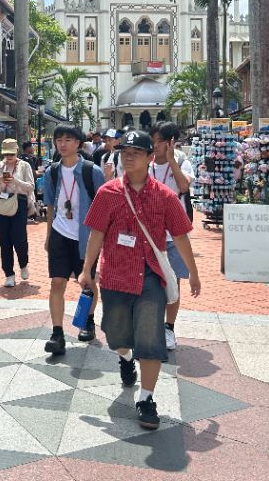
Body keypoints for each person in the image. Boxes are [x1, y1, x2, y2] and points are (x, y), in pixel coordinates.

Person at [79, 130, 201, 431]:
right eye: (125, 152)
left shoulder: (165, 196)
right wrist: (86, 269)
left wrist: (193, 272)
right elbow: (96, 233)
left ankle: (146, 399)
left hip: (150, 277)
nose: (129, 156)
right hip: (114, 275)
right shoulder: (108, 193)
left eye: (136, 152)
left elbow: (180, 236)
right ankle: (125, 356)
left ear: (149, 157)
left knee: (150, 338)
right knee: (115, 335)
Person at [42, 125, 105, 353]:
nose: (62, 144)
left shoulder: (92, 171)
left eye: (68, 139)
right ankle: (57, 333)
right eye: (59, 139)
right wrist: (49, 235)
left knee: (87, 282)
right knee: (57, 282)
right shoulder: (53, 171)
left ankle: (88, 321)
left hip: (86, 237)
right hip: (59, 233)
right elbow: (50, 205)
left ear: (78, 143)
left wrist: (102, 239)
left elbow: (103, 207)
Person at [148, 122, 196, 351]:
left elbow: (184, 187)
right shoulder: (145, 161)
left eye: (161, 141)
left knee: (173, 283)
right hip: (148, 234)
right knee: (149, 282)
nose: (156, 145)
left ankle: (169, 327)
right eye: (154, 140)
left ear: (171, 142)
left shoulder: (182, 161)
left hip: (173, 235)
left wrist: (172, 161)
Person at [0, 139, 35, 287]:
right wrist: (0, 181)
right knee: (5, 241)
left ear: (16, 152)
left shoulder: (24, 165)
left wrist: (15, 181)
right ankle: (9, 274)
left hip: (19, 202)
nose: (9, 156)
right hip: (2, 203)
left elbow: (31, 187)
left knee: (19, 238)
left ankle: (23, 264)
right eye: (6, 154)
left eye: (11, 153)